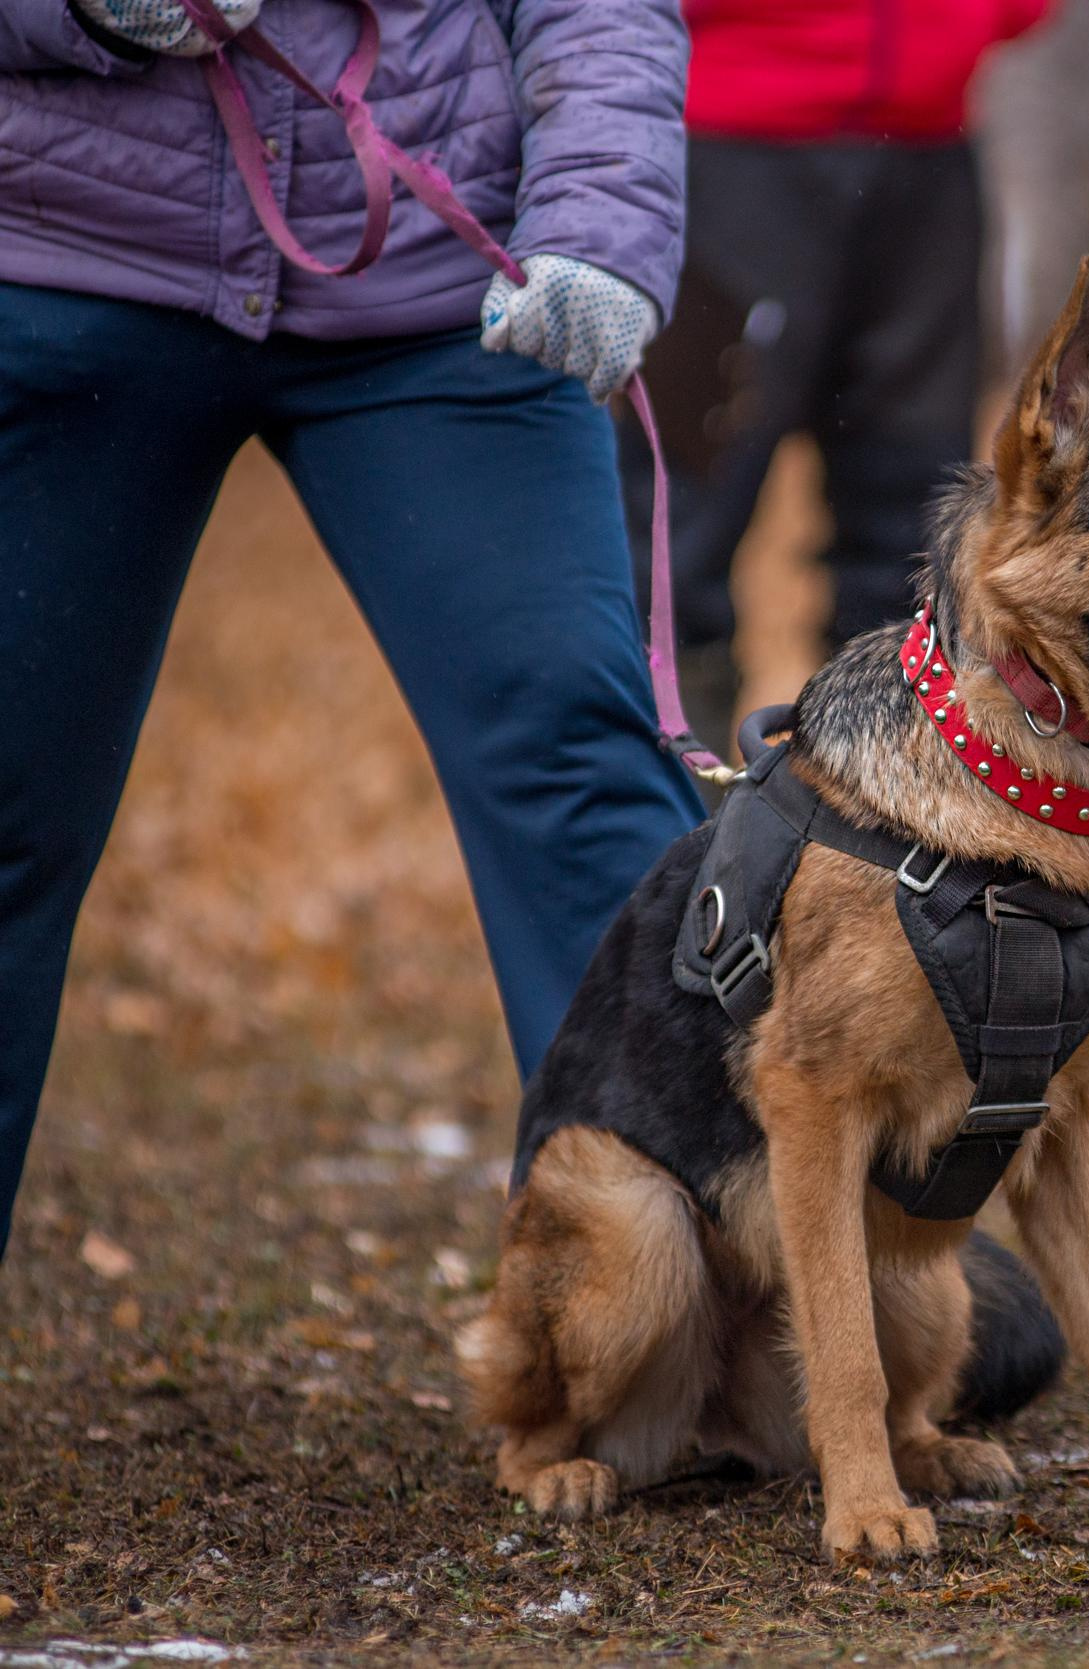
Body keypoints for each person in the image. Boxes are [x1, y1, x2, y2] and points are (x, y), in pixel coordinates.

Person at [0, 0, 703, 1257]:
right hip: (62, 256)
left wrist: (601, 226)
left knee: (584, 774)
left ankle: (728, 1338)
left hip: (441, 285)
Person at [618, 0, 1052, 765]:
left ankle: (878, 845)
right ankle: (667, 849)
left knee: (919, 544)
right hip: (727, 144)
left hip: (932, 144)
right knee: (669, 540)